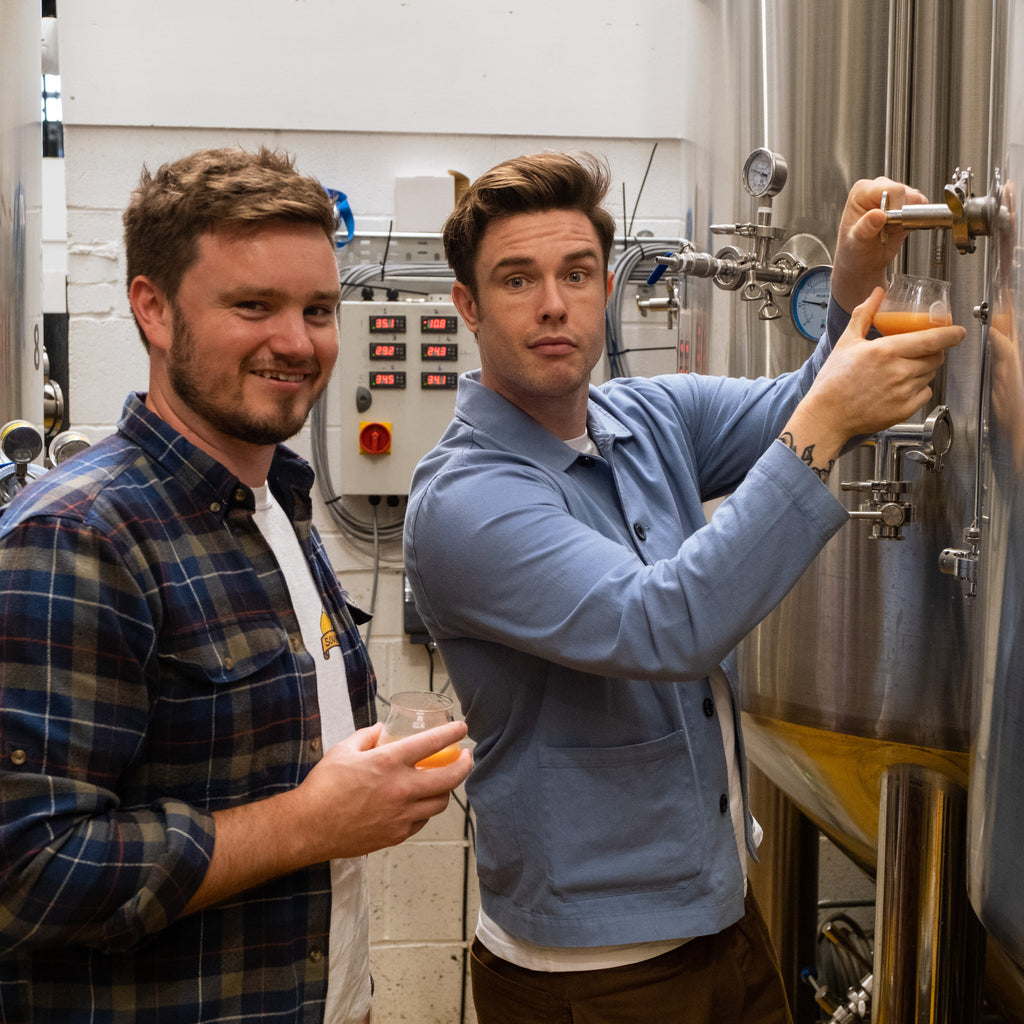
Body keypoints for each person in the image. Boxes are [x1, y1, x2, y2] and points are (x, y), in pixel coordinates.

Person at [402, 151, 965, 1023]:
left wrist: (855, 291)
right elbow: (661, 625)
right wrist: (825, 420)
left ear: (604, 288)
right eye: (519, 280)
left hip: (723, 915)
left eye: (577, 273)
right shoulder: (468, 501)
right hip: (593, 969)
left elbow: (810, 398)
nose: (554, 303)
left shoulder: (645, 417)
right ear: (468, 309)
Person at [0, 147, 472, 1024]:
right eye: (252, 306)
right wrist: (311, 823)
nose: (296, 342)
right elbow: (25, 874)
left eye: (318, 310)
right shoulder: (77, 537)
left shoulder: (276, 503)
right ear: (153, 309)